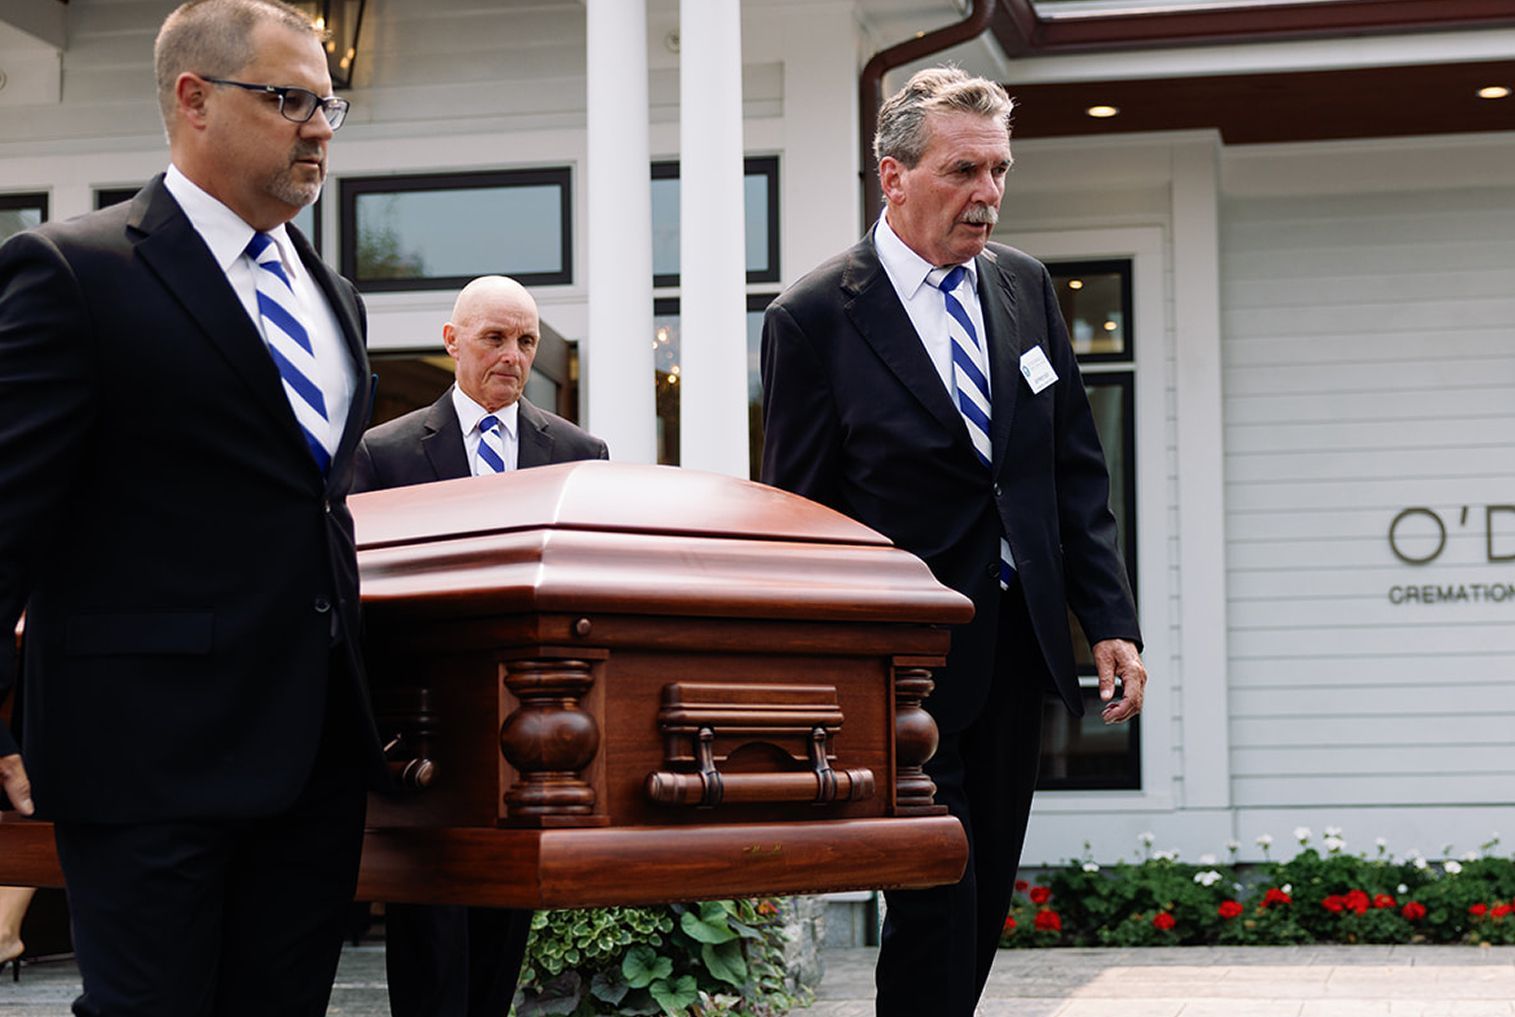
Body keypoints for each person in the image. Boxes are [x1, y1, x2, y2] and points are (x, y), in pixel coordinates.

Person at [0, 1, 386, 1013]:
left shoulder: (333, 296)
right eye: (290, 99)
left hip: (313, 759)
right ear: (193, 99)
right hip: (141, 761)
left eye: (328, 104)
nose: (319, 128)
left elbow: (316, 508)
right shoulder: (71, 272)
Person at [759, 66, 1149, 1017]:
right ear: (891, 176)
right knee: (938, 889)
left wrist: (1107, 618)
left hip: (1015, 646)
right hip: (901, 666)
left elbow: (1068, 469)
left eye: (999, 171)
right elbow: (799, 515)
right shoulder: (812, 320)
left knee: (981, 895)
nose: (987, 195)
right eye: (962, 171)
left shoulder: (1022, 287)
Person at [352, 274, 608, 1017]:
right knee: (428, 937)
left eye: (525, 340)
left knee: (503, 930)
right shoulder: (386, 451)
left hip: (528, 730)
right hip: (425, 729)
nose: (512, 354)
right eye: (494, 337)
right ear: (452, 340)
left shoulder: (576, 451)